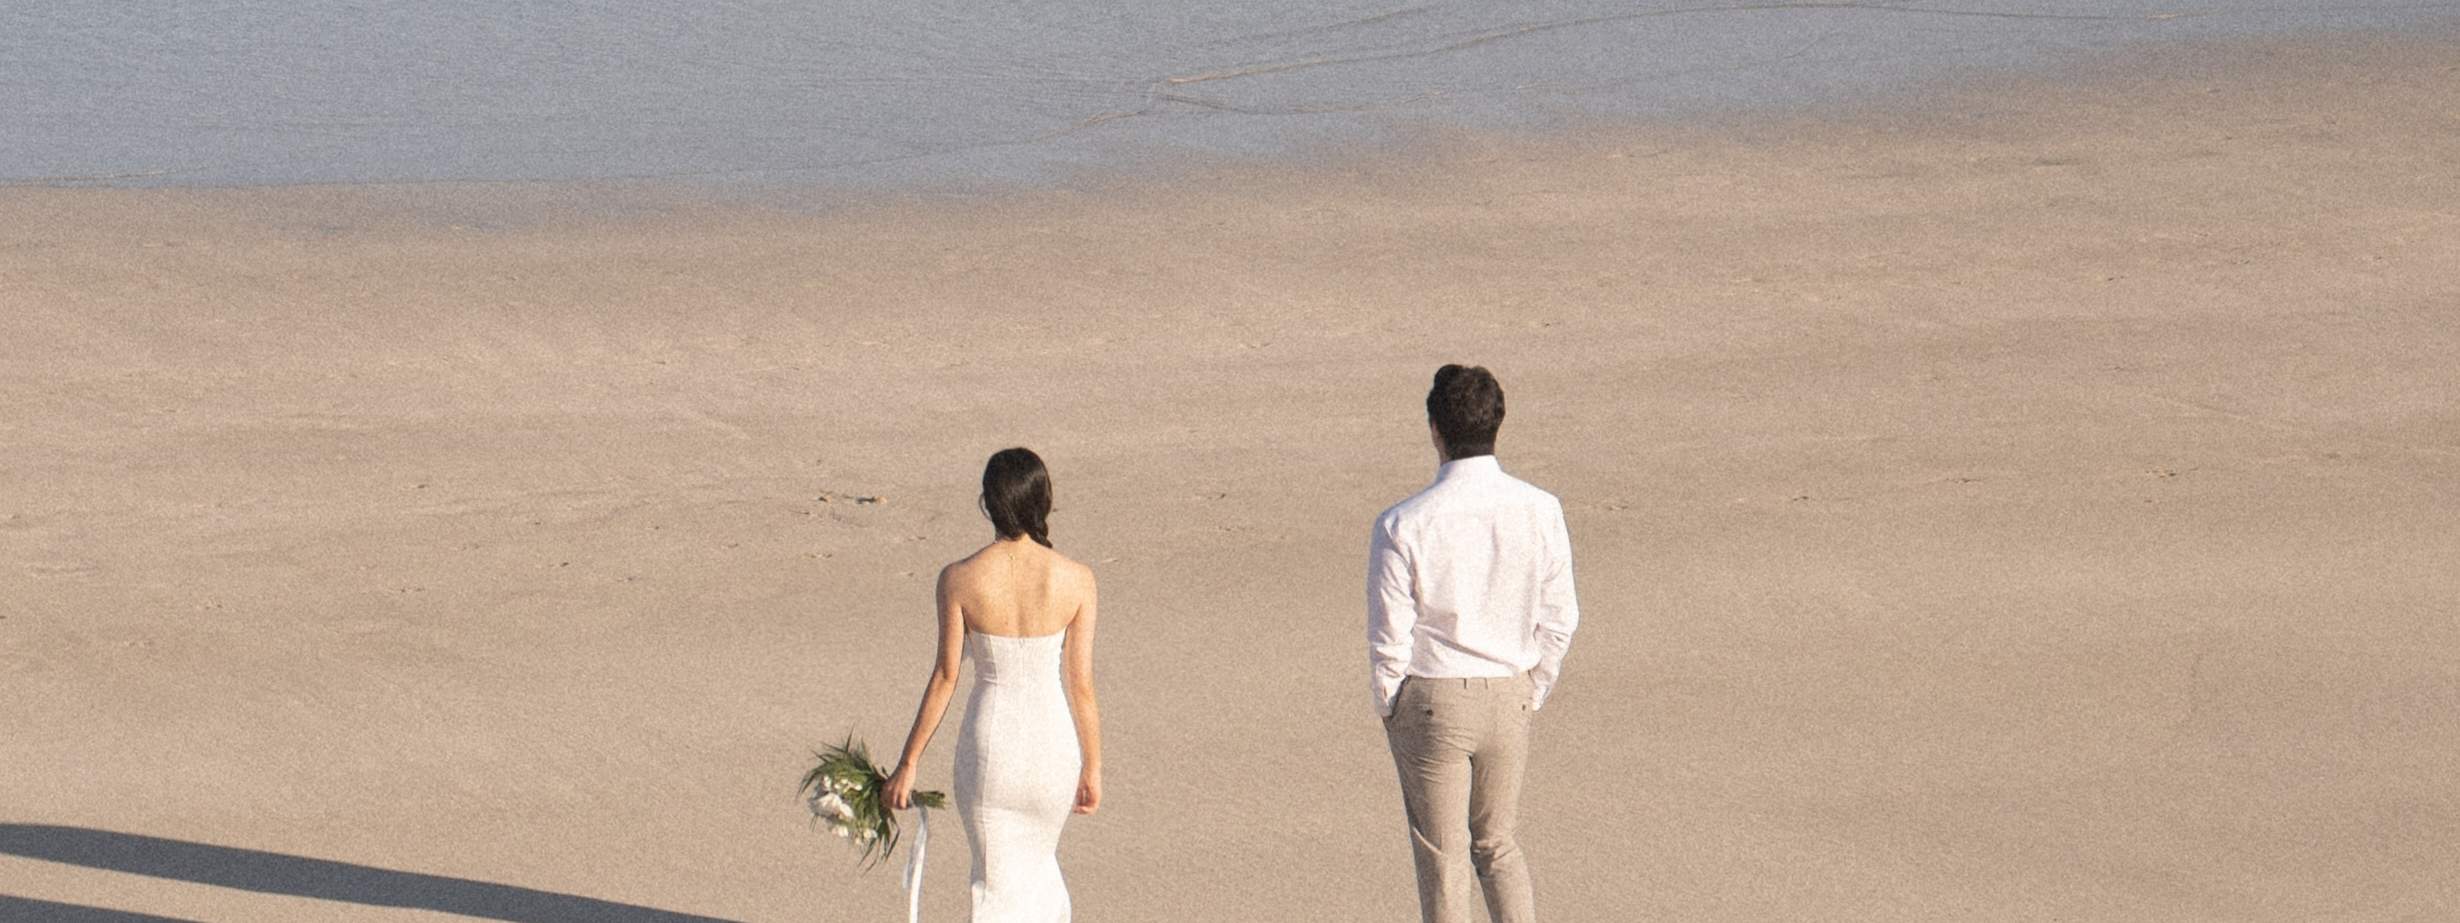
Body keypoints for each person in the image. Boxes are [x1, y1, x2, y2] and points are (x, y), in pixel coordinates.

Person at [1368, 365, 1580, 923]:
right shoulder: (1541, 508)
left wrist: (1391, 703)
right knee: (1497, 843)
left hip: (1433, 697)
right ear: (1497, 424)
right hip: (1510, 692)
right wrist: (1532, 687)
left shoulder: (1402, 523)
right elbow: (1560, 616)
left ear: (1435, 428)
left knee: (1444, 858)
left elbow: (1390, 632)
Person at [885, 447, 1102, 923]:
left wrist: (909, 762)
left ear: (988, 502)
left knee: (996, 881)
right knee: (1040, 872)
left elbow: (946, 676)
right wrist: (1093, 765)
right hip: (1054, 750)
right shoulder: (1077, 579)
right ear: (1043, 500)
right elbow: (1080, 684)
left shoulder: (959, 578)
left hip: (991, 751)